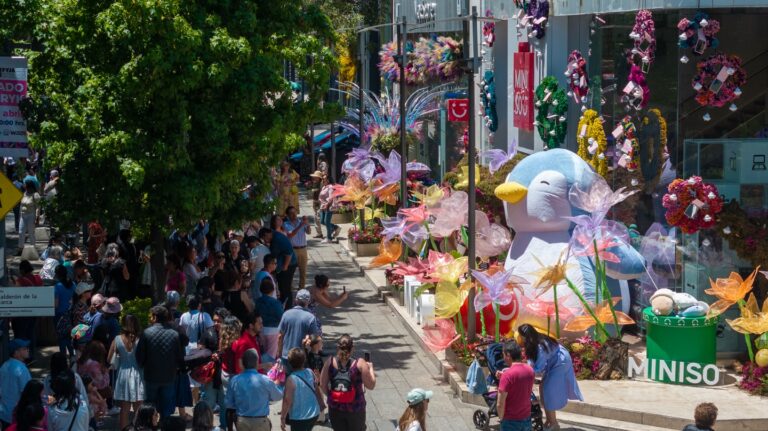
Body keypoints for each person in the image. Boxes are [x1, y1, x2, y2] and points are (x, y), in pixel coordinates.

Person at [518, 324, 582, 431]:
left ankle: (553, 423)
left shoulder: (540, 345)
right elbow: (532, 361)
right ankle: (549, 420)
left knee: (548, 390)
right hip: (554, 361)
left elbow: (538, 368)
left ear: (525, 336)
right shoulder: (534, 341)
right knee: (542, 388)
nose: (520, 338)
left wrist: (524, 370)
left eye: (521, 336)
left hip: (560, 362)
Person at [135, 305, 185, 419]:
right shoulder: (174, 334)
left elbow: (139, 356)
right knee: (167, 405)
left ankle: (150, 424)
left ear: (155, 317)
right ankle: (165, 424)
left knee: (150, 405)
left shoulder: (146, 333)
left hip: (151, 375)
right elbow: (179, 356)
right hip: (169, 376)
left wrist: (143, 365)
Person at [319, 335, 376, 431]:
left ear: (338, 347)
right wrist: (370, 369)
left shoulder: (330, 362)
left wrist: (333, 396)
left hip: (335, 408)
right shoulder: (359, 364)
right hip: (355, 409)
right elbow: (371, 385)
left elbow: (322, 385)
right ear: (352, 348)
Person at [225, 349, 283, 431]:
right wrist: (278, 384)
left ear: (243, 364)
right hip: (260, 422)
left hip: (242, 421)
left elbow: (228, 404)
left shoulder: (235, 380)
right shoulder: (265, 380)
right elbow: (278, 396)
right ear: (256, 363)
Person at [107, 314, 145, 430]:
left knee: (124, 409)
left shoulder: (117, 339)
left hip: (123, 374)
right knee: (139, 407)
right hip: (138, 374)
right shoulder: (141, 339)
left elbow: (109, 359)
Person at [280, 348, 324, 431]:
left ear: (290, 362)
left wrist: (283, 417)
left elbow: (287, 400)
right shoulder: (310, 371)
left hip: (299, 417)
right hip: (314, 413)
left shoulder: (291, 379)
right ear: (304, 360)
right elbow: (316, 384)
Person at [496, 341, 535, 431]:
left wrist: (501, 418)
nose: (503, 358)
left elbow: (500, 404)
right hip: (526, 418)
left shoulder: (507, 376)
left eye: (503, 355)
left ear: (508, 355)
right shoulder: (530, 370)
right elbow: (520, 383)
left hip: (510, 420)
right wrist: (504, 375)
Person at [277, 290, 320, 359]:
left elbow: (280, 336)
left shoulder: (286, 314)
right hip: (301, 357)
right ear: (309, 302)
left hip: (286, 355)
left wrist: (279, 353)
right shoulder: (311, 318)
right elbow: (314, 339)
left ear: (296, 300)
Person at [0, 339, 32, 427]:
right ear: (16, 353)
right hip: (17, 416)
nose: (27, 350)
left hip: (3, 414)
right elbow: (28, 393)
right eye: (24, 349)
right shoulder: (21, 370)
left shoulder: (4, 366)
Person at [14, 261, 42, 359]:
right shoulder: (37, 278)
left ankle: (22, 356)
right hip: (34, 312)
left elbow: (16, 295)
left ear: (22, 270)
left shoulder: (20, 280)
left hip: (22, 313)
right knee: (31, 333)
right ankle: (31, 355)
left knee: (21, 335)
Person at [269, 215, 297, 309]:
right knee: (282, 288)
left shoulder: (279, 235)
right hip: (281, 264)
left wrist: (285, 266)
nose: (280, 220)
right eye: (278, 219)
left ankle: (287, 308)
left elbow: (289, 252)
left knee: (285, 288)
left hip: (287, 265)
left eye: (280, 219)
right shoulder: (275, 234)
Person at [283, 207, 311, 290]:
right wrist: (301, 225)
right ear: (287, 215)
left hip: (303, 248)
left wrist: (307, 224)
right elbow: (290, 234)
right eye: (291, 213)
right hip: (293, 249)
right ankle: (289, 287)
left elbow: (309, 232)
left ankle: (301, 288)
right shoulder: (285, 224)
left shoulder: (301, 222)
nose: (294, 215)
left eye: (295, 212)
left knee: (303, 270)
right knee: (291, 269)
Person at [255, 279, 283, 360]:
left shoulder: (258, 301)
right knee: (271, 356)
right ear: (272, 289)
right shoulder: (275, 303)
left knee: (262, 353)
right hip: (273, 330)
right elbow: (281, 316)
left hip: (261, 329)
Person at [53, 265, 76, 356]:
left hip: (60, 315)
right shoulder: (73, 284)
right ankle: (72, 356)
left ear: (57, 275)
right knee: (70, 336)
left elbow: (56, 304)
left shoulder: (57, 286)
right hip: (70, 314)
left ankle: (63, 358)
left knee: (61, 338)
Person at [17, 181, 40, 251]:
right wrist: (19, 216)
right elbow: (21, 206)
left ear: (29, 186)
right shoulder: (24, 193)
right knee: (21, 232)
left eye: (25, 185)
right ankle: (20, 249)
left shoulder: (35, 195)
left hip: (31, 215)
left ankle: (33, 249)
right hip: (23, 215)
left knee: (31, 233)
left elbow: (38, 207)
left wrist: (37, 217)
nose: (24, 186)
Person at [318, 176, 340, 244]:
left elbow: (331, 198)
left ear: (328, 180)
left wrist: (327, 205)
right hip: (322, 206)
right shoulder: (324, 187)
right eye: (322, 179)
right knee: (322, 221)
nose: (323, 180)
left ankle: (329, 238)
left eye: (324, 179)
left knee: (327, 222)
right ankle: (335, 227)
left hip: (328, 206)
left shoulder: (330, 187)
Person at [308, 171, 324, 238]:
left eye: (316, 177)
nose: (314, 178)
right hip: (315, 201)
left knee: (318, 218)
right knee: (316, 217)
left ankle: (334, 228)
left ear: (319, 178)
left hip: (319, 201)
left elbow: (321, 193)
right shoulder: (315, 183)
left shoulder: (321, 184)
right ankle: (319, 233)